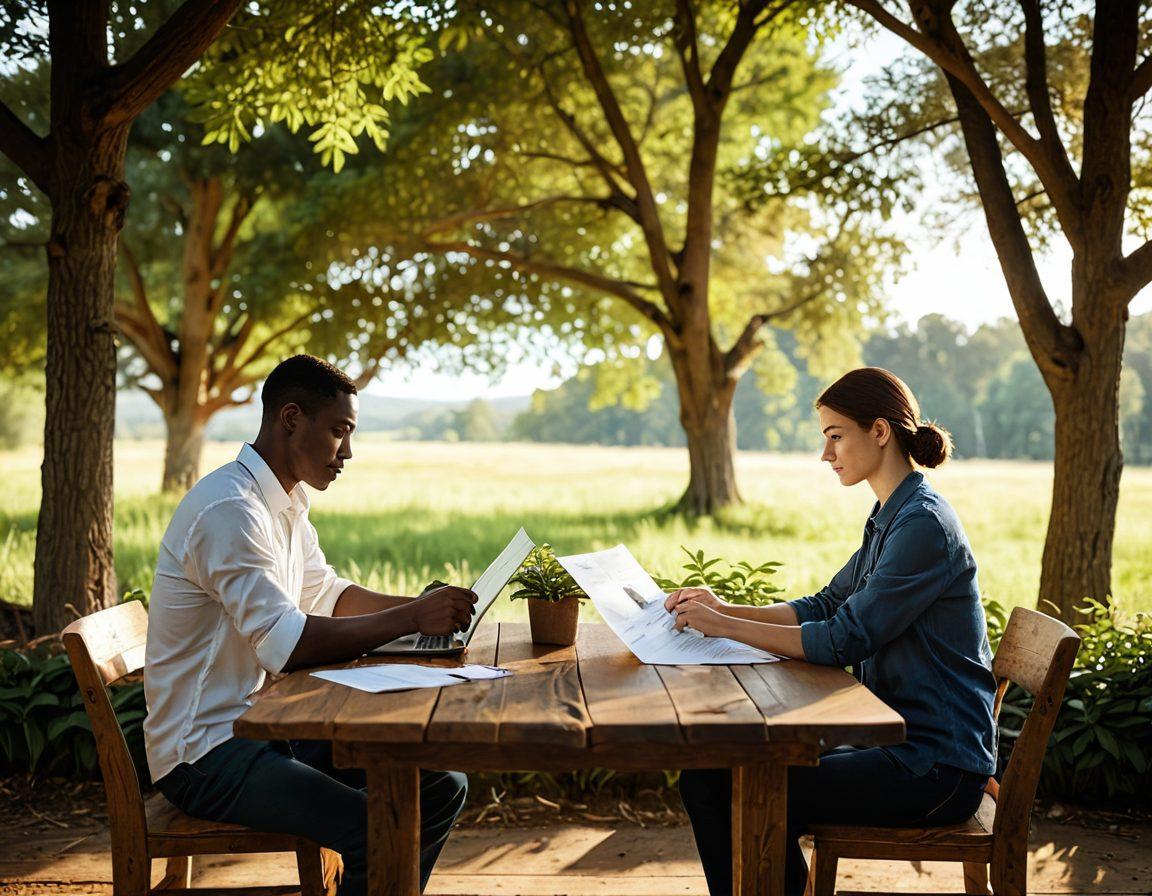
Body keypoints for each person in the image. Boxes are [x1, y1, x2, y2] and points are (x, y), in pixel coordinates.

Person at [144, 354, 478, 896]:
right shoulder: (229, 510)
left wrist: (420, 607)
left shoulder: (285, 502)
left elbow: (329, 594)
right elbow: (287, 644)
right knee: (378, 830)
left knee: (441, 786)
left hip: (272, 728)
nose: (347, 452)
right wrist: (413, 618)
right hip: (207, 752)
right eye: (339, 432)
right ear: (291, 418)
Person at [669, 367, 998, 896]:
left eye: (835, 436)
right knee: (719, 773)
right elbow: (825, 604)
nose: (826, 454)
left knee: (724, 785)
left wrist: (723, 625)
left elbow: (842, 640)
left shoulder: (922, 526)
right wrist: (723, 607)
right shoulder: (893, 514)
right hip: (900, 744)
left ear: (880, 432)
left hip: (934, 769)